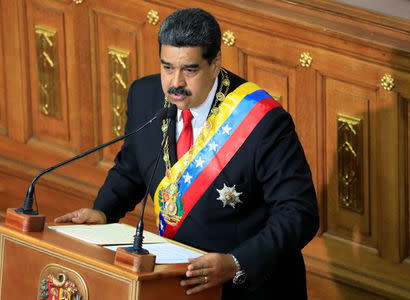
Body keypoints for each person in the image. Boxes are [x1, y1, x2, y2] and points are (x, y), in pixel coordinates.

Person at [55, 8, 319, 299]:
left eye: (189, 70)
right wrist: (102, 211)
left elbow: (299, 214)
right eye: (167, 68)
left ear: (215, 63)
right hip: (173, 277)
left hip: (244, 286)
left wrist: (235, 263)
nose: (175, 83)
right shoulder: (144, 96)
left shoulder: (262, 121)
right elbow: (131, 168)